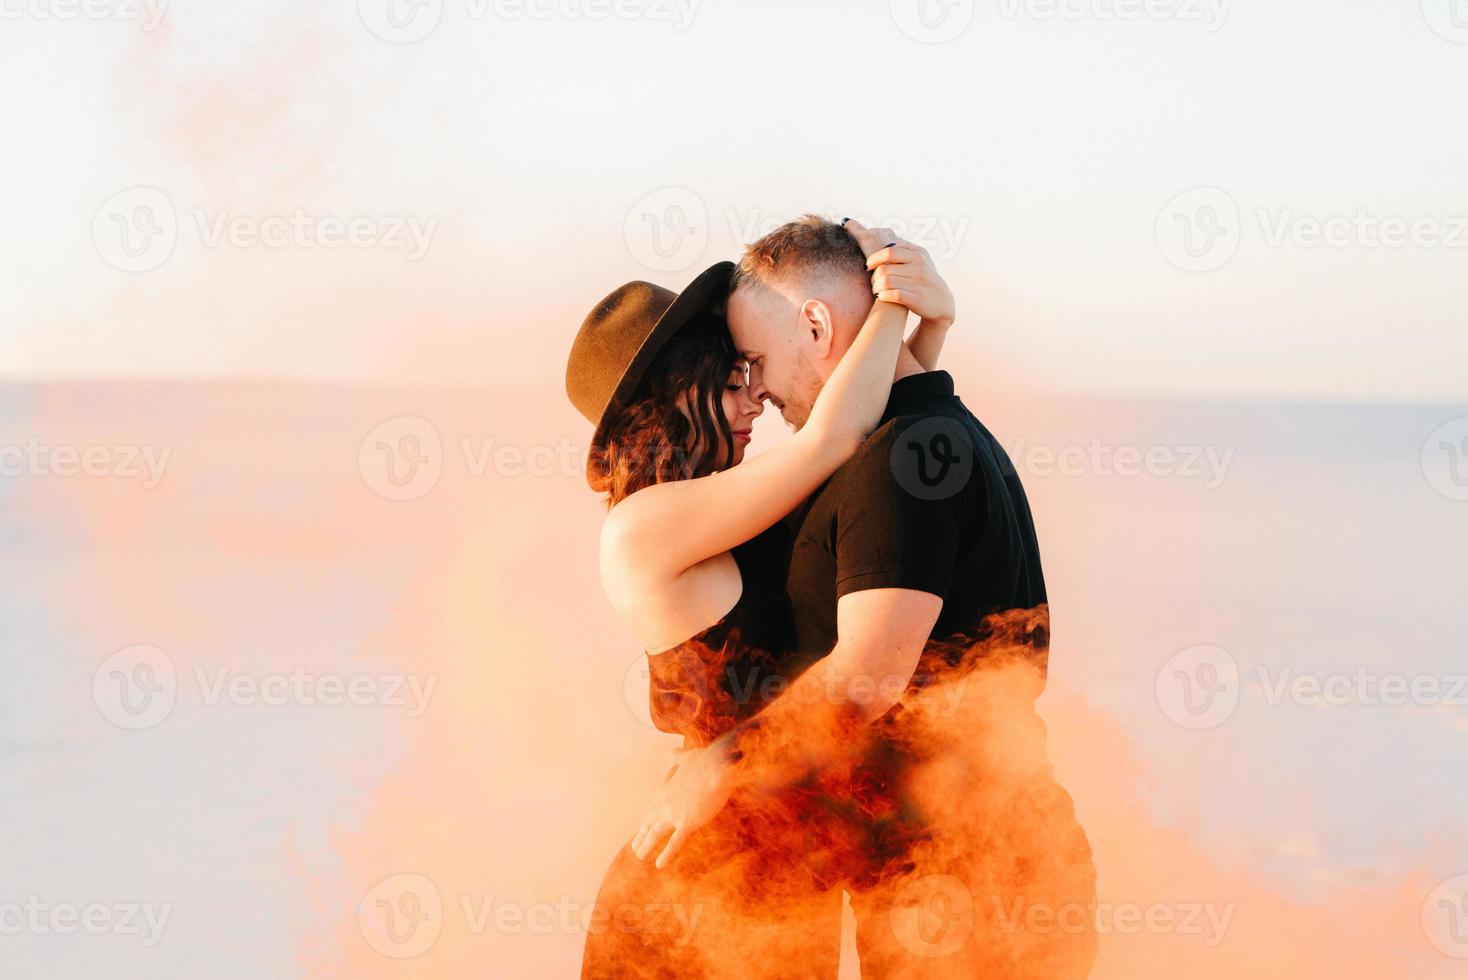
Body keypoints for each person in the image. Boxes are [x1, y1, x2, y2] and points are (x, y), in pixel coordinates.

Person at [632, 215, 1098, 978]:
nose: (759, 388)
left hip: (969, 881)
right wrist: (920, 330)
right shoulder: (925, 438)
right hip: (964, 871)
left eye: (755, 358)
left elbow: (869, 674)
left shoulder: (903, 462)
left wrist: (726, 760)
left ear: (815, 327)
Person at [566, 220, 957, 978]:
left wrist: (923, 332)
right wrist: (886, 306)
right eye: (731, 374)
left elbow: (865, 444)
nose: (757, 394)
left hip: (778, 889)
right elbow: (836, 439)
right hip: (698, 894)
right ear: (672, 398)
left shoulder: (728, 508)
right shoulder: (641, 530)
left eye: (751, 368)